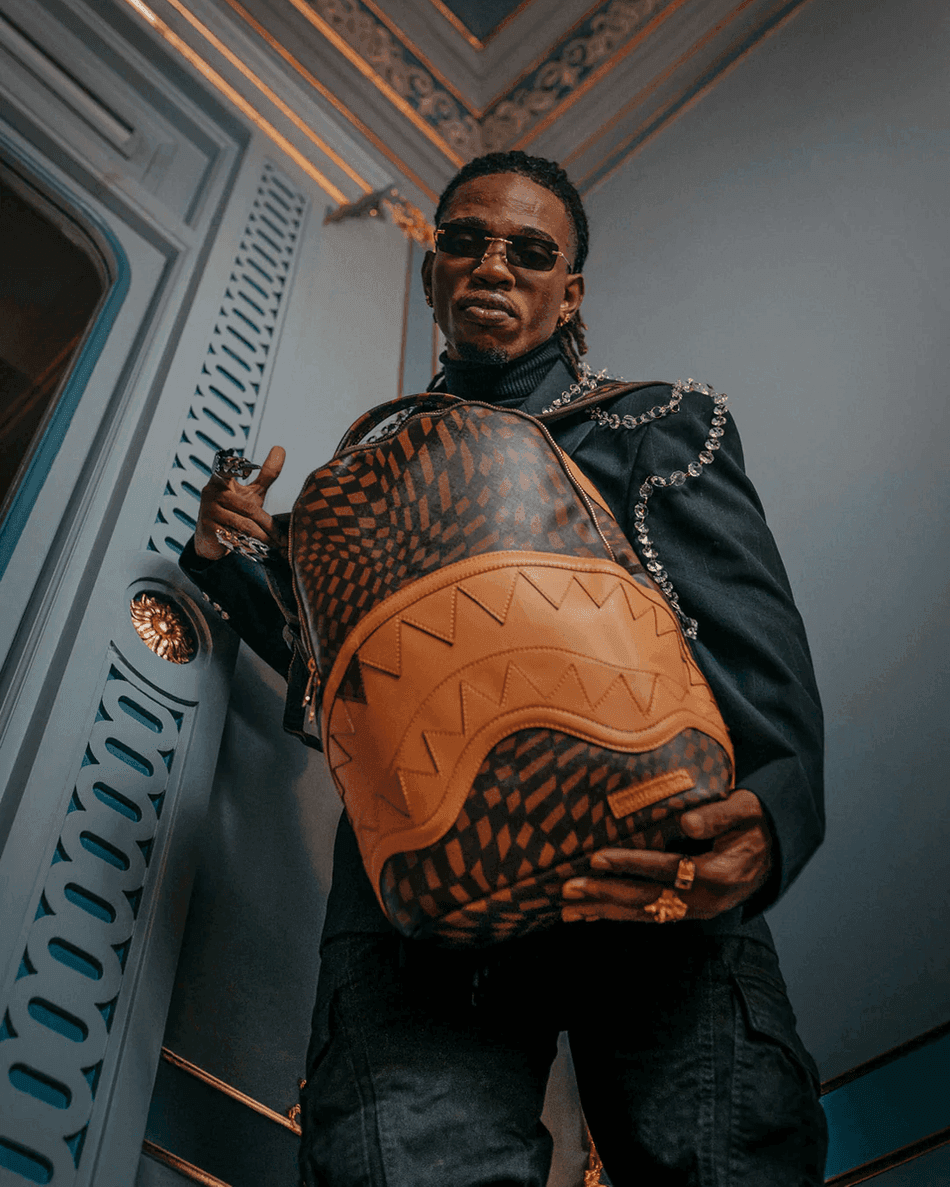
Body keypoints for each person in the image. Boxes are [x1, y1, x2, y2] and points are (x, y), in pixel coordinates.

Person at [180, 151, 828, 1186]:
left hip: (656, 857)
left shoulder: (654, 422)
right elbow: (339, 693)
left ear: (569, 292)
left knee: (715, 1159)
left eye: (529, 252)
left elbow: (747, 629)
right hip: (423, 897)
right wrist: (235, 562)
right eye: (465, 241)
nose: (493, 265)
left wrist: (777, 809)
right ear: (432, 270)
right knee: (406, 1162)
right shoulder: (354, 490)